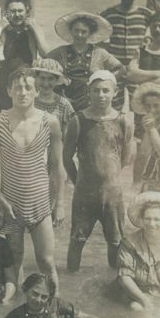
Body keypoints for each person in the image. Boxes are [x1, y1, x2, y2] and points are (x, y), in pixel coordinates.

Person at [0, 67, 64, 288]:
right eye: (18, 87)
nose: (23, 92)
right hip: (11, 205)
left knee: (46, 262)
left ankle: (55, 307)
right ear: (8, 91)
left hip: (41, 204)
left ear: (37, 91)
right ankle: (11, 311)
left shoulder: (50, 122)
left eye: (28, 87)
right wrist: (0, 198)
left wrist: (60, 203)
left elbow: (57, 166)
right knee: (14, 261)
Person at [63, 71, 134, 273]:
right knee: (77, 239)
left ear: (115, 92)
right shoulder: (78, 120)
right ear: (88, 92)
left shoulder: (124, 121)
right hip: (84, 194)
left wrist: (109, 179)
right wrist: (78, 182)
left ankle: (114, 281)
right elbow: (66, 157)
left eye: (105, 90)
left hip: (113, 195)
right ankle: (71, 280)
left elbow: (126, 158)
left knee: (115, 242)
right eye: (96, 90)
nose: (101, 95)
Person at [4, 273, 131, 318]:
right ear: (25, 290)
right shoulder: (16, 316)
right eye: (35, 294)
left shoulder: (58, 305)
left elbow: (85, 317)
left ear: (50, 298)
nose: (38, 300)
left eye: (44, 297)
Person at [49, 11, 124, 111]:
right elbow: (46, 63)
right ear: (71, 31)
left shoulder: (99, 52)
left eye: (84, 32)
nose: (79, 35)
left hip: (91, 103)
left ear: (90, 33)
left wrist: (104, 80)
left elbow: (121, 69)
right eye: (76, 30)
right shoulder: (60, 52)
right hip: (64, 101)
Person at [0, 0, 49, 110]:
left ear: (27, 11)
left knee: (26, 109)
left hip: (28, 74)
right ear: (6, 13)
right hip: (5, 76)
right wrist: (0, 26)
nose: (17, 15)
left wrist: (34, 28)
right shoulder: (2, 29)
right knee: (5, 112)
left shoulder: (32, 29)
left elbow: (45, 53)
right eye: (13, 11)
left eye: (20, 11)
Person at [117, 192, 160, 311]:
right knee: (136, 308)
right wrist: (145, 301)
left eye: (157, 219)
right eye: (147, 219)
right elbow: (124, 278)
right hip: (138, 294)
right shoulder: (129, 243)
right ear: (142, 220)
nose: (152, 224)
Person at [132, 83, 160, 191]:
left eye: (156, 105)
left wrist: (152, 129)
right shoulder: (147, 123)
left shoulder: (153, 126)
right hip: (150, 179)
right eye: (147, 105)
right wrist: (136, 181)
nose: (151, 110)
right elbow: (143, 154)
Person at [31, 58, 75, 137]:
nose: (46, 83)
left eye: (50, 79)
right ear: (36, 78)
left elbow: (67, 137)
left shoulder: (63, 104)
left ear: (56, 80)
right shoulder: (29, 101)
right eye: (42, 78)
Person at [126, 12, 160, 87]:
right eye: (154, 26)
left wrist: (142, 78)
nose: (157, 29)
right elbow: (131, 74)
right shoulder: (141, 50)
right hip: (144, 96)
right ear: (150, 28)